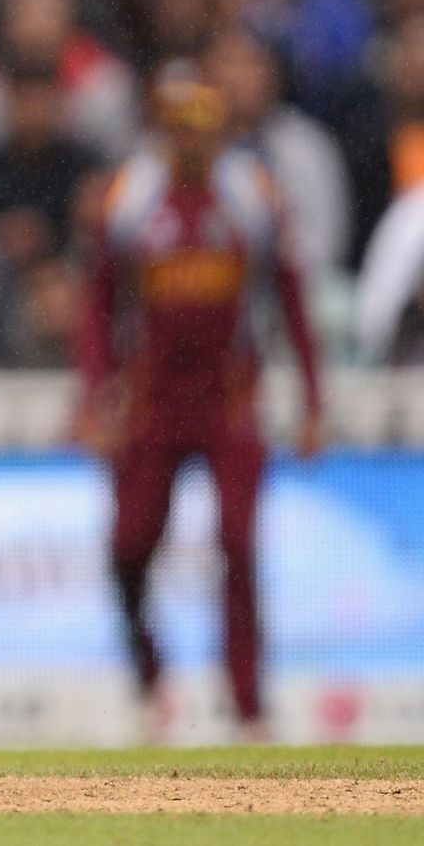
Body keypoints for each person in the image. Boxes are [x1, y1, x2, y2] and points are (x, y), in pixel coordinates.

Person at [73, 72, 324, 742]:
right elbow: (97, 304)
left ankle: (247, 705)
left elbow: (294, 298)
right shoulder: (130, 198)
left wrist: (311, 400)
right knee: (129, 547)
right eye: (180, 128)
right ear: (163, 130)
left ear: (221, 132)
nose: (192, 142)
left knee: (239, 545)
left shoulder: (252, 195)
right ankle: (151, 683)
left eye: (203, 129)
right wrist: (96, 395)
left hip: (229, 400)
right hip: (152, 402)